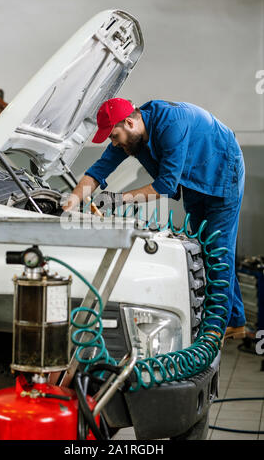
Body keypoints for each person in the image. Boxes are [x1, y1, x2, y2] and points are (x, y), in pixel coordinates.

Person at [62, 97, 246, 341]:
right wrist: (70, 204)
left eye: (114, 136)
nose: (114, 143)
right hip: (193, 181)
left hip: (223, 171)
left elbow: (165, 186)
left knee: (218, 250)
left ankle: (213, 331)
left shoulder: (171, 124)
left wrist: (118, 200)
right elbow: (97, 171)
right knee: (206, 247)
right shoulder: (130, 136)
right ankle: (235, 320)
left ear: (128, 122)